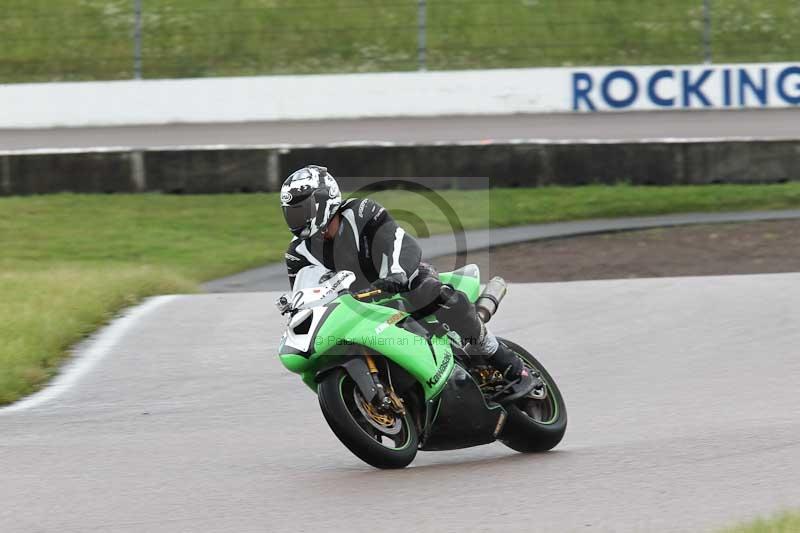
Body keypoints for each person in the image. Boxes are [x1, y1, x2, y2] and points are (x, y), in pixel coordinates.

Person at [277, 165, 538, 392]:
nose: (295, 219)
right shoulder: (296, 253)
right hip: (357, 308)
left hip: (400, 280)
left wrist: (395, 273)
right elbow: (306, 293)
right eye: (290, 212)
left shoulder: (361, 212)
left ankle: (507, 363)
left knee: (430, 293)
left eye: (301, 210)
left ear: (323, 201)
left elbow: (397, 240)